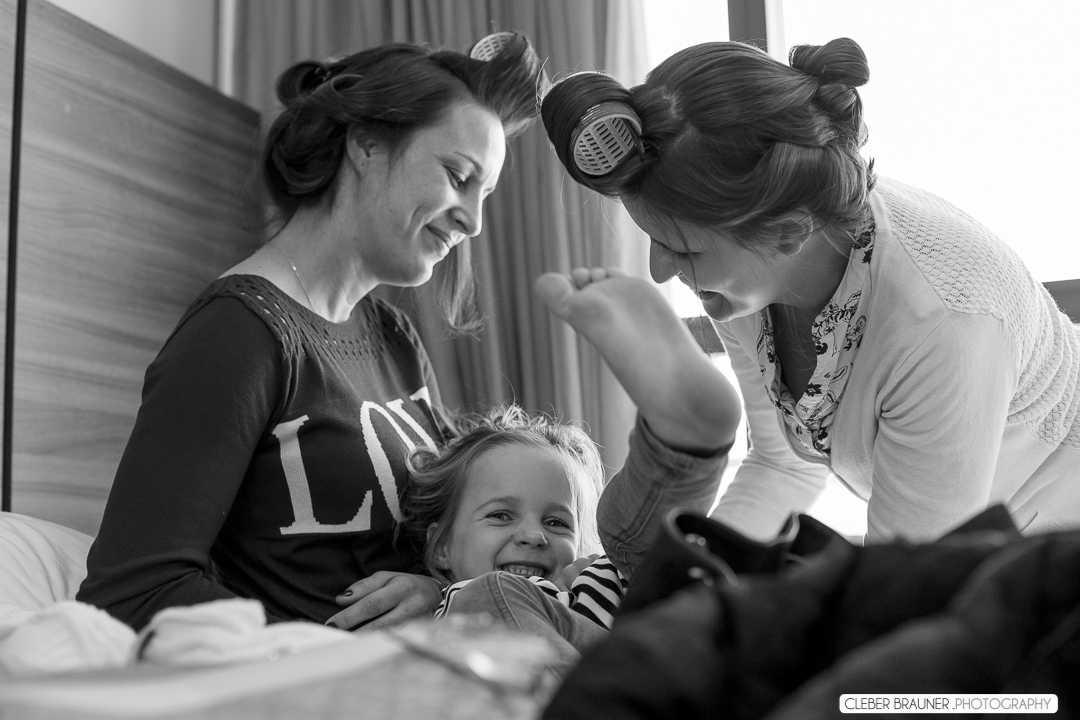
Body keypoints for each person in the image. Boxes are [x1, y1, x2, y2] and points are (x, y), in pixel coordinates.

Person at [76, 33, 542, 631]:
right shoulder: (238, 335)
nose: (473, 221)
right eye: (457, 176)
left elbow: (454, 533)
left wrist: (437, 591)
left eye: (486, 194)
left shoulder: (393, 338)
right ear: (367, 145)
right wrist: (323, 651)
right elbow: (134, 587)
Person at [539, 38, 1080, 543]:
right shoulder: (751, 280)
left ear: (790, 230)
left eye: (682, 250)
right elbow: (781, 464)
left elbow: (906, 581)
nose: (659, 272)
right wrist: (695, 576)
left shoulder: (943, 319)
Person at [395, 267, 742, 668]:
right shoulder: (456, 603)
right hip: (597, 686)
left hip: (648, 654)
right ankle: (679, 447)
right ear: (441, 548)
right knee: (490, 595)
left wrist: (603, 575)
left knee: (632, 552)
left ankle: (680, 444)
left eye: (558, 523)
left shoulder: (585, 579)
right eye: (501, 515)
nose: (533, 536)